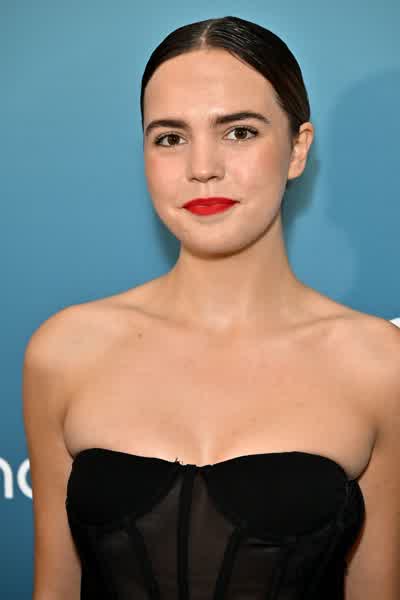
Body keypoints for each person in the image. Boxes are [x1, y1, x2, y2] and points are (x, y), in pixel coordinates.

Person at [23, 15, 400, 600]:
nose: (202, 168)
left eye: (239, 132)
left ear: (298, 149)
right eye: (170, 138)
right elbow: (55, 588)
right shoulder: (65, 352)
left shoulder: (380, 364)